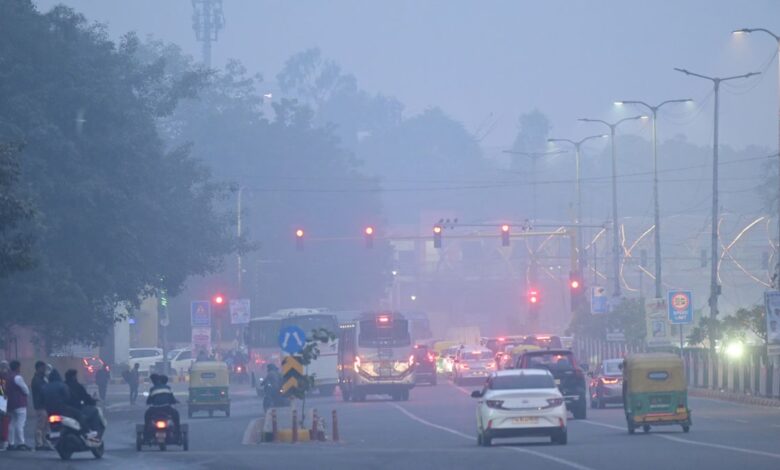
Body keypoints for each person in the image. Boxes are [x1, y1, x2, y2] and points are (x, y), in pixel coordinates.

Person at [64, 369, 104, 438]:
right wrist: (92, 401)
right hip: (76, 409)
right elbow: (85, 397)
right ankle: (93, 433)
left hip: (64, 410)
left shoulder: (63, 385)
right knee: (94, 411)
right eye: (75, 376)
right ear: (73, 377)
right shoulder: (77, 386)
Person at [6, 360, 31, 451]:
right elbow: (25, 390)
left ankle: (11, 443)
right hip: (20, 403)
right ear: (17, 367)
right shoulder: (18, 377)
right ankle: (21, 443)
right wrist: (26, 394)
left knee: (12, 423)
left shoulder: (6, 377)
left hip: (10, 403)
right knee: (20, 424)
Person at [31, 361, 50, 451]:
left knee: (46, 426)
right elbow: (43, 390)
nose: (44, 370)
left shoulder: (42, 378)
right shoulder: (37, 380)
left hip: (44, 405)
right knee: (40, 426)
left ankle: (45, 442)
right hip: (40, 405)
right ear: (38, 368)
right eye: (43, 368)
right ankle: (39, 444)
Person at [0, 360, 9, 452]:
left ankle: (4, 441)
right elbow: (2, 389)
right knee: (4, 421)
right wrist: (3, 394)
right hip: (2, 400)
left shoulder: (6, 376)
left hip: (3, 400)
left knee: (5, 421)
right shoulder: (3, 377)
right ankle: (4, 442)